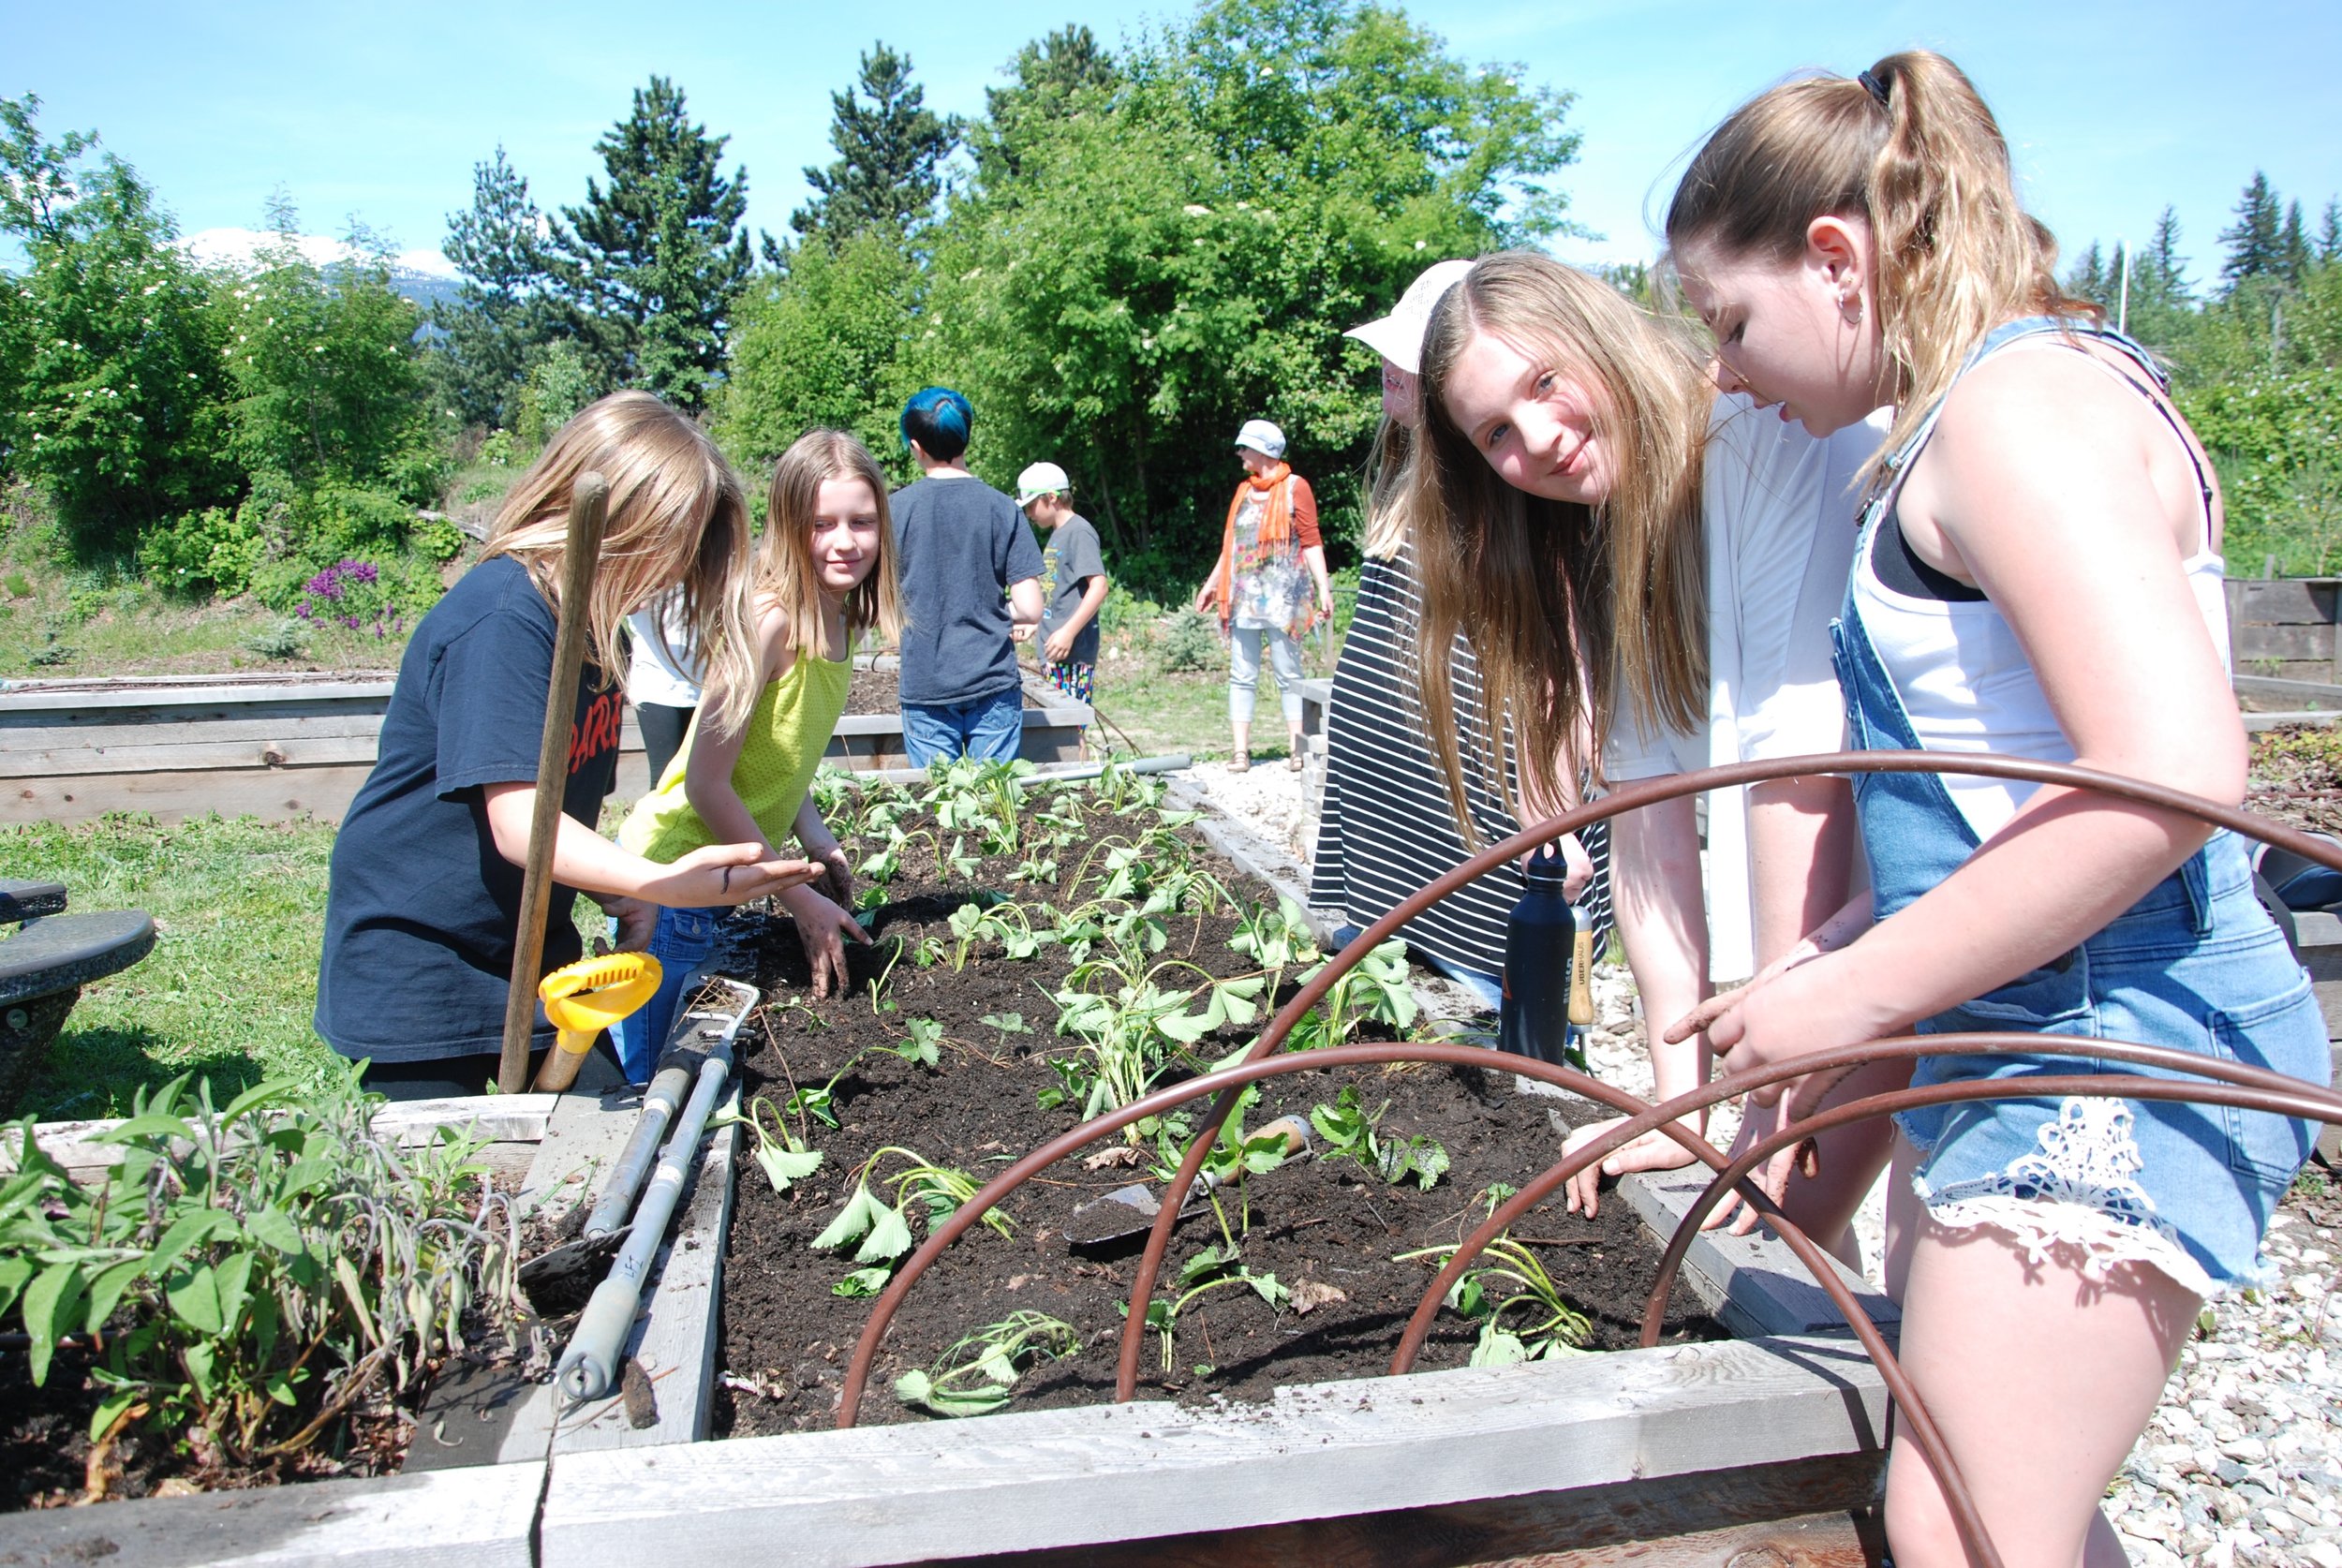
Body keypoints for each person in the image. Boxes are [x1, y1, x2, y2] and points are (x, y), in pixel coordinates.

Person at [1663, 52, 2326, 1567]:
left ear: (1838, 258)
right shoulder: (1999, 405)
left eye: (1731, 321)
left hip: (2107, 1033)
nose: (1725, 370)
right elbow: (2000, 782)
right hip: (2044, 1016)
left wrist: (1860, 989)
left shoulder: (2013, 417)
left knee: (1969, 1528)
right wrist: (1825, 939)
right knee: (1998, 1514)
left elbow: (2168, 768)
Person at [315, 392, 821, 1098]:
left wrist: (609, 891)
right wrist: (654, 881)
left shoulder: (592, 629)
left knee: (599, 1150)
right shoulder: (505, 619)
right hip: (421, 969)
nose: (677, 572)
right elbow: (519, 818)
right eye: (669, 544)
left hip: (527, 953)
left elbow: (565, 799)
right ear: (612, 522)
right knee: (452, 1193)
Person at [1309, 258, 1609, 1012]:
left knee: (1504, 1024)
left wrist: (1554, 815)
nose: (1386, 367)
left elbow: (1571, 657)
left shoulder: (1518, 488)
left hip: (1491, 815)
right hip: (1396, 817)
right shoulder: (1410, 470)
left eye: (1405, 356)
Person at [613, 429, 903, 1077]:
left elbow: (779, 759)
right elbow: (705, 784)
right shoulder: (769, 620)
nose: (844, 541)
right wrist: (796, 899)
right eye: (820, 523)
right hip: (667, 887)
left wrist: (817, 842)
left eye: (861, 521)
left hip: (717, 887)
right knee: (655, 1091)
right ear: (787, 526)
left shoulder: (841, 618)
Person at [891, 388, 1045, 768]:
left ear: (915, 446)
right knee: (995, 809)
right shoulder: (1002, 508)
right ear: (967, 437)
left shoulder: (894, 509)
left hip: (926, 685)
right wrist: (988, 609)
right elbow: (1029, 608)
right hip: (993, 682)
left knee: (938, 814)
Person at [1193, 420, 1333, 772]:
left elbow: (1312, 540)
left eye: (1244, 447)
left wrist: (1323, 588)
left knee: (1289, 674)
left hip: (1285, 600)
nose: (1239, 453)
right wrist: (1211, 585)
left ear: (1264, 451)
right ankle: (1241, 752)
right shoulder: (1243, 491)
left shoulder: (1295, 488)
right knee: (1242, 674)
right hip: (1243, 599)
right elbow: (1233, 548)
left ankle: (1296, 748)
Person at [1013, 461, 1110, 711]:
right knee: (1059, 729)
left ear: (1052, 498)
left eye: (1032, 506)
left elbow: (1098, 586)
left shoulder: (1079, 532)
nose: (1029, 514)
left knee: (1071, 729)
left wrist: (1067, 632)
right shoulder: (1058, 535)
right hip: (1054, 654)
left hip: (1072, 655)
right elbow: (1060, 594)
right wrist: (1035, 624)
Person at [625, 589, 701, 788]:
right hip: (657, 685)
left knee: (697, 779)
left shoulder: (708, 561)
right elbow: (628, 604)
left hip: (703, 686)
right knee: (663, 780)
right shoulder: (645, 561)